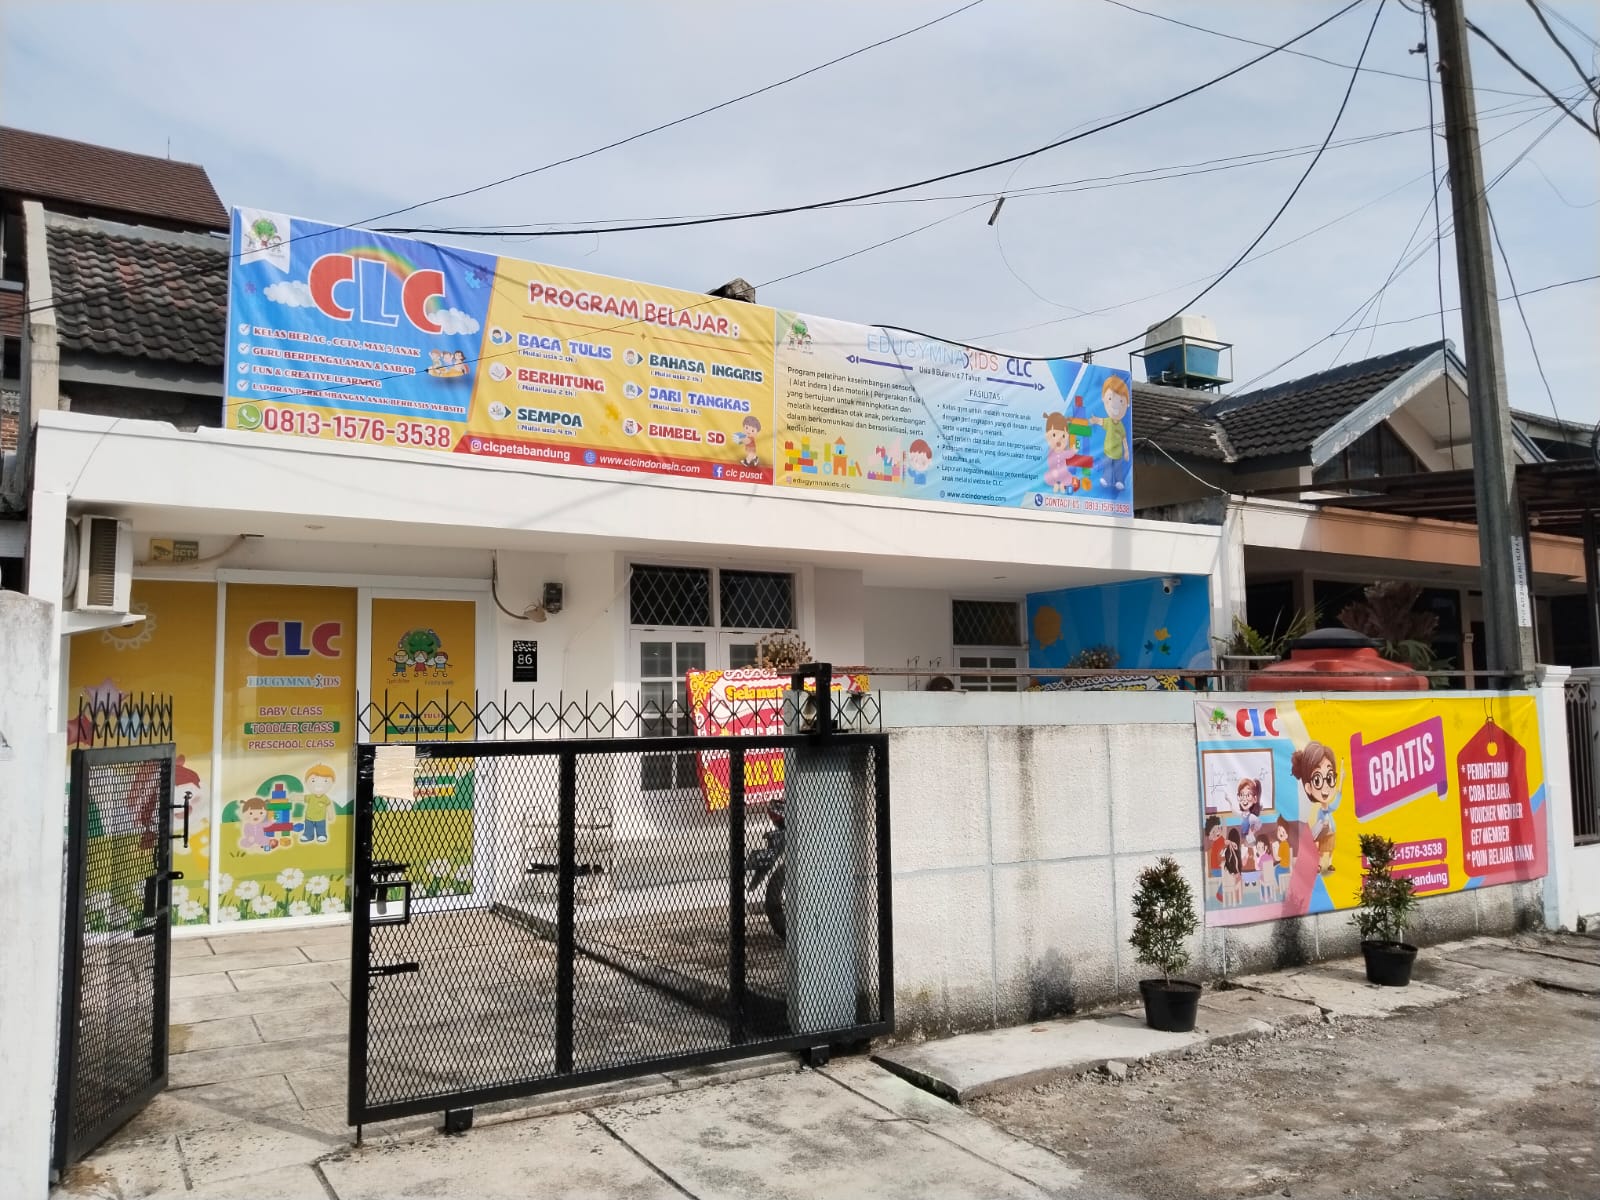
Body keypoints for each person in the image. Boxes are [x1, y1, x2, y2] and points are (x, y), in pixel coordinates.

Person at [1291, 742, 1341, 874]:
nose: (1325, 786)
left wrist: (1340, 786)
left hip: (1331, 832)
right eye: (1318, 780)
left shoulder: (1328, 808)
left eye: (1329, 778)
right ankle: (1318, 864)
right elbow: (1315, 827)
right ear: (1308, 787)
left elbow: (1336, 803)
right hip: (1320, 833)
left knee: (1331, 849)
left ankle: (1329, 863)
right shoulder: (1313, 810)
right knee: (1320, 848)